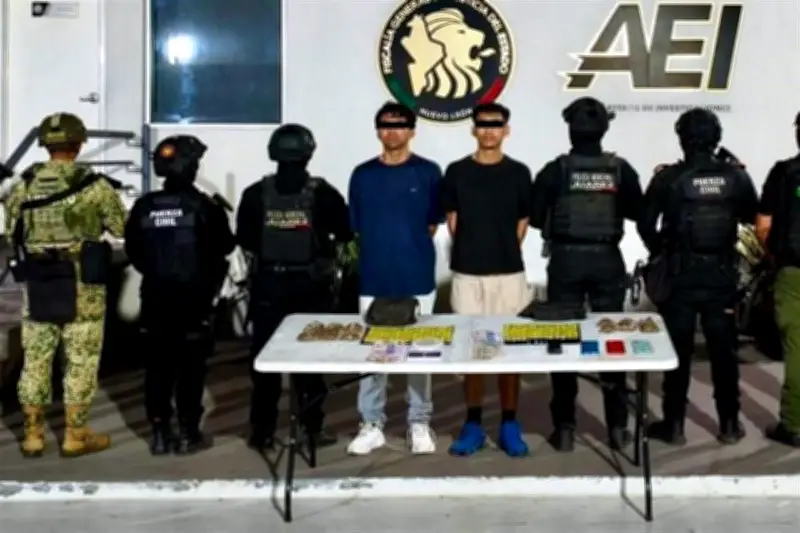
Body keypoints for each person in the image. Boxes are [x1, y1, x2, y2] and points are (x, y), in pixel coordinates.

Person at [3, 112, 127, 457]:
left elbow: (10, 230)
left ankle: (33, 435)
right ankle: (75, 434)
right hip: (83, 281)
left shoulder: (24, 185)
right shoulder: (94, 185)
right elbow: (120, 227)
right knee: (81, 358)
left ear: (45, 144)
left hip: (40, 281)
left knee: (36, 357)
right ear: (78, 144)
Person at [530, 97, 643, 453]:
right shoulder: (621, 170)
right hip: (607, 259)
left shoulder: (555, 170)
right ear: (604, 129)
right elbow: (636, 211)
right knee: (612, 340)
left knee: (562, 341)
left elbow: (536, 217)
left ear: (570, 129)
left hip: (566, 260)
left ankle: (564, 428)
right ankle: (618, 429)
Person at [639, 108, 758, 445]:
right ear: (716, 138)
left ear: (682, 138)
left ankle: (674, 426)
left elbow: (645, 224)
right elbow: (752, 214)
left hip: (680, 276)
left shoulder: (668, 177)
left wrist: (662, 251)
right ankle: (730, 425)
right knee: (724, 353)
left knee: (677, 352)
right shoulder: (735, 177)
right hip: (721, 276)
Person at [236, 124, 352, 452]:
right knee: (310, 362)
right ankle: (311, 429)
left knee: (265, 363)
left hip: (268, 287)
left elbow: (244, 239)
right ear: (308, 153)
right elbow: (345, 232)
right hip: (310, 287)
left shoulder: (255, 194)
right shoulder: (324, 193)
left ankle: (262, 432)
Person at [124, 135, 235, 455]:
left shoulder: (145, 206)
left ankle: (160, 432)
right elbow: (225, 246)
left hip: (156, 297)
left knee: (158, 368)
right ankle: (188, 432)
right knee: (191, 368)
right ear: (191, 166)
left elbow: (135, 251)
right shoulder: (205, 206)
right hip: (194, 300)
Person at [346, 102, 442, 455]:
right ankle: (372, 423)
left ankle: (419, 422)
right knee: (374, 354)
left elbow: (431, 225)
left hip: (416, 276)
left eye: (400, 124)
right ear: (377, 130)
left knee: (420, 352)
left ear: (412, 130)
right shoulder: (362, 175)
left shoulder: (428, 172)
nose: (393, 131)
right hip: (374, 278)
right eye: (386, 124)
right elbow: (357, 226)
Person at [442, 102, 533, 457]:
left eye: (496, 124)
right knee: (473, 353)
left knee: (508, 352)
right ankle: (473, 424)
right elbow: (453, 221)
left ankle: (509, 423)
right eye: (483, 124)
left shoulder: (519, 173)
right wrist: (474, 252)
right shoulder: (456, 172)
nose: (489, 130)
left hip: (508, 275)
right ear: (473, 129)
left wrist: (501, 251)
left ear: (506, 130)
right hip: (468, 275)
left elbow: (522, 222)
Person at [754, 111, 800, 447]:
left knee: (797, 348)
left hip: (793, 272)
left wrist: (772, 256)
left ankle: (794, 424)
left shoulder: (784, 173)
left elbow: (763, 226)